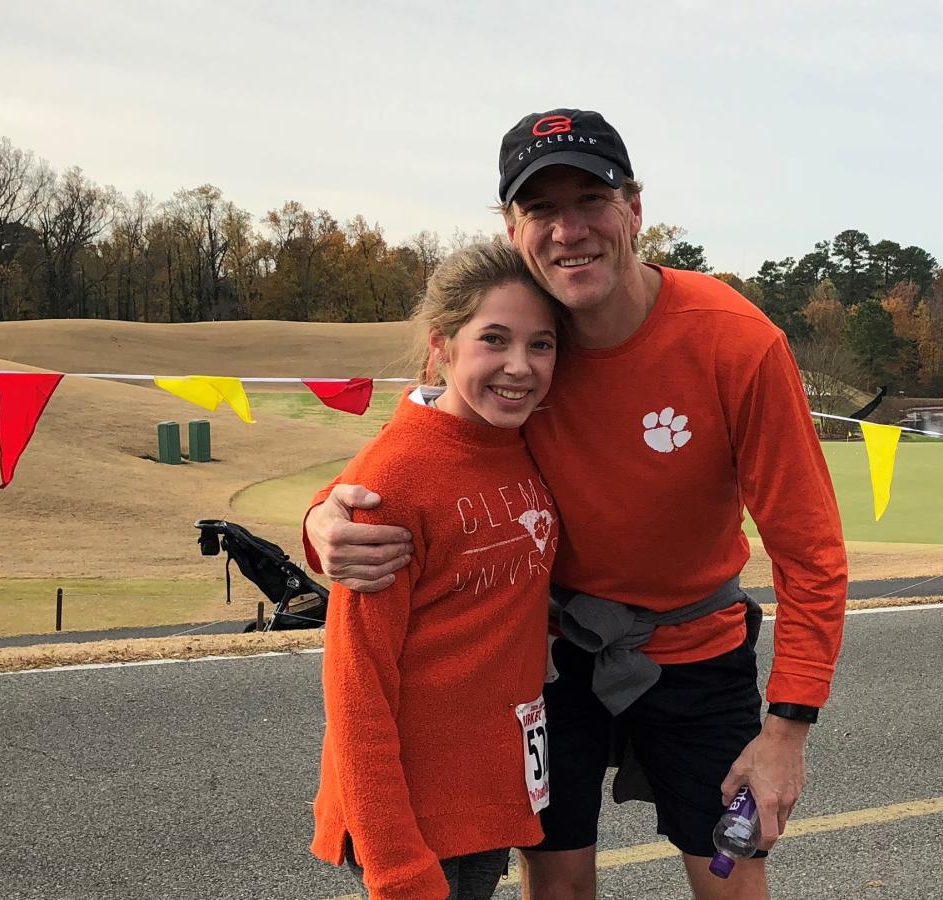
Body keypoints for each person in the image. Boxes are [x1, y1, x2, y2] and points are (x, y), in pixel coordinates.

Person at [306, 109, 848, 900]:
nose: (570, 231)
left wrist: (786, 733)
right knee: (556, 886)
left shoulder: (736, 342)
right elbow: (426, 443)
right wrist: (326, 516)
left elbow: (811, 554)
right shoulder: (524, 331)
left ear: (633, 209)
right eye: (541, 210)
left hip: (696, 652)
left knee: (733, 879)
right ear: (512, 226)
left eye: (591, 200)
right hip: (549, 658)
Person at [309, 240, 564, 900]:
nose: (520, 366)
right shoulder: (390, 483)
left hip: (490, 795)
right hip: (410, 817)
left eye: (541, 344)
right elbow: (355, 681)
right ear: (442, 346)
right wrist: (393, 861)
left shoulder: (523, 441)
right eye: (495, 340)